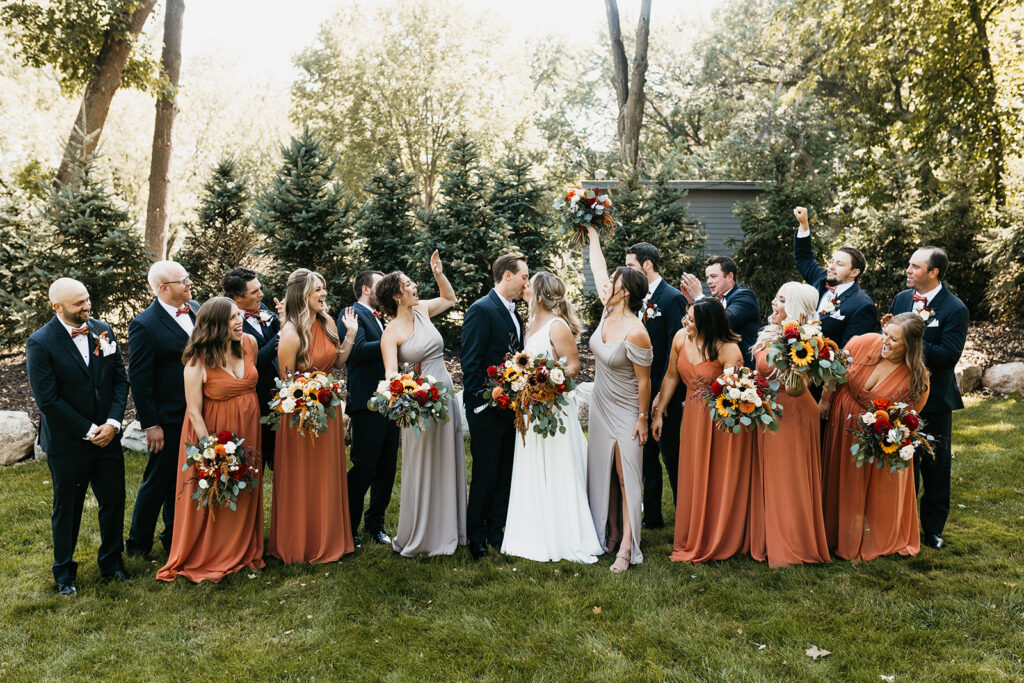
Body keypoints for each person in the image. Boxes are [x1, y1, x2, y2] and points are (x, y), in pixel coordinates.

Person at [26, 278, 129, 594]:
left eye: (87, 300)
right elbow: (48, 400)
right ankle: (64, 574)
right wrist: (88, 430)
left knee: (113, 501)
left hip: (108, 436)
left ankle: (111, 564)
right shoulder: (40, 343)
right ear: (57, 307)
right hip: (69, 443)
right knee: (66, 508)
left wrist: (112, 423)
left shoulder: (102, 330)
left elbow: (118, 381)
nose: (87, 306)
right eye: (78, 304)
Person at [157, 297, 265, 583]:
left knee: (246, 487)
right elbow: (193, 411)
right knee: (217, 493)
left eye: (239, 315)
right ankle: (212, 552)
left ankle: (242, 548)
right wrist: (213, 452)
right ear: (216, 324)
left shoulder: (249, 344)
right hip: (215, 434)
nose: (240, 320)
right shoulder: (197, 360)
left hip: (249, 430)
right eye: (232, 318)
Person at [501, 271, 603, 564]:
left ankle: (564, 533)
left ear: (540, 294)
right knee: (532, 462)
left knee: (557, 464)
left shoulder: (557, 326)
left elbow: (572, 365)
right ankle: (531, 530)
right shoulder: (529, 324)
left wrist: (544, 381)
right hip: (531, 406)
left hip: (552, 406)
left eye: (529, 285)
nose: (524, 287)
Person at [820, 314, 930, 561]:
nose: (885, 342)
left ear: (910, 347)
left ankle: (872, 537)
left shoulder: (917, 378)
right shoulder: (863, 343)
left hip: (874, 435)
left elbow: (908, 417)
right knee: (841, 478)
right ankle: (836, 533)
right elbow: (835, 372)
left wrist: (884, 434)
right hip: (842, 420)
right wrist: (825, 400)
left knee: (872, 487)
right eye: (886, 335)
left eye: (894, 340)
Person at [267, 269, 359, 564]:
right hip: (301, 416)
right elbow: (286, 384)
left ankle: (329, 537)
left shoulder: (328, 321)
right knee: (303, 477)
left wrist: (352, 335)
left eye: (323, 288)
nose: (323, 294)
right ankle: (301, 543)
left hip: (328, 409)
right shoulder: (291, 332)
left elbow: (337, 361)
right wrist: (306, 402)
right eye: (317, 290)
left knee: (327, 475)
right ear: (301, 295)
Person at [378, 251, 465, 557]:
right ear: (395, 295)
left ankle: (451, 529)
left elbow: (450, 298)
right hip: (418, 404)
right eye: (408, 284)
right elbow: (391, 373)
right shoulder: (390, 333)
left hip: (445, 395)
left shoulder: (423, 311)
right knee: (424, 465)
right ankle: (424, 535)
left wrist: (439, 272)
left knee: (448, 458)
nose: (414, 286)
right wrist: (406, 392)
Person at [654, 299, 751, 564]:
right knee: (694, 473)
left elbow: (737, 393)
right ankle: (693, 532)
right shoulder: (679, 338)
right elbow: (672, 376)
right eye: (686, 317)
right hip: (694, 418)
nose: (686, 322)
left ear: (708, 323)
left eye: (692, 320)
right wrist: (659, 411)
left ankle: (718, 536)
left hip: (722, 422)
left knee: (718, 474)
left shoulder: (728, 349)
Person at [888, 247, 968, 550]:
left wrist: (909, 342)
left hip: (934, 399)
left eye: (915, 266)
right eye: (909, 265)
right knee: (901, 462)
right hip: (899, 394)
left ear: (933, 272)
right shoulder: (901, 300)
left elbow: (948, 356)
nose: (908, 270)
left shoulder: (955, 308)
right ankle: (900, 525)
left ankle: (932, 529)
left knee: (934, 465)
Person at [747, 282, 830, 567]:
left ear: (795, 308)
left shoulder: (806, 340)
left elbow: (803, 380)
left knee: (788, 477)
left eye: (781, 300)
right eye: (776, 296)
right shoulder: (772, 333)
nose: (774, 303)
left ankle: (792, 542)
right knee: (771, 474)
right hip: (769, 408)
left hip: (792, 410)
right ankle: (769, 536)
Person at [586, 226, 653, 573]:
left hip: (628, 407)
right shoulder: (607, 312)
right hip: (600, 402)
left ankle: (627, 545)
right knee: (603, 469)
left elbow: (645, 382)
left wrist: (643, 417)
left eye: (612, 281)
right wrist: (594, 235)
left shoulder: (637, 332)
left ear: (624, 291)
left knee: (627, 474)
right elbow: (598, 269)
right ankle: (608, 531)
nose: (605, 284)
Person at [126, 261, 200, 558]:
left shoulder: (195, 308)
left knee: (183, 478)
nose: (189, 283)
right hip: (168, 417)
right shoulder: (144, 324)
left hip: (198, 409)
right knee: (157, 481)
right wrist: (150, 424)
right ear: (163, 288)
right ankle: (137, 546)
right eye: (184, 280)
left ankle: (173, 536)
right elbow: (139, 379)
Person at [461, 253, 529, 559]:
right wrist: (481, 403)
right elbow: (471, 362)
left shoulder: (516, 313)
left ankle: (495, 530)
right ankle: (475, 536)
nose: (527, 282)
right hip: (486, 409)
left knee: (505, 472)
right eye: (524, 276)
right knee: (485, 473)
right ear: (506, 276)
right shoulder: (481, 309)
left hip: (512, 408)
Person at [625, 242, 687, 528]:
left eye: (631, 266)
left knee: (672, 457)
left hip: (667, 392)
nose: (627, 272)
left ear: (646, 265)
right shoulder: (632, 299)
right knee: (646, 457)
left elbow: (676, 351)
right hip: (640, 389)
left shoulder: (672, 298)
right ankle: (652, 517)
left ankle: (685, 516)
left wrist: (662, 395)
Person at [343, 270, 399, 548]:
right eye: (380, 286)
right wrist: (392, 341)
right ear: (366, 289)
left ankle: (375, 524)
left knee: (387, 467)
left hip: (388, 401)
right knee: (364, 466)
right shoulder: (351, 314)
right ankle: (348, 526)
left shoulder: (381, 317)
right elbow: (357, 351)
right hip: (366, 403)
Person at [792, 206, 878, 349]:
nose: (831, 266)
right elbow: (804, 259)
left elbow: (850, 351)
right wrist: (804, 225)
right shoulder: (821, 279)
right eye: (832, 261)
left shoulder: (862, 305)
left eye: (839, 264)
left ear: (854, 272)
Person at [223, 268, 280, 470]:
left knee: (280, 460)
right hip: (252, 398)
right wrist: (282, 334)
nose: (261, 294)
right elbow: (254, 360)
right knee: (253, 461)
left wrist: (283, 318)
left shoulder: (261, 308)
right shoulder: (226, 323)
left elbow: (277, 326)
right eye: (255, 292)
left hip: (276, 396)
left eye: (260, 289)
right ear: (237, 297)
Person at [679, 256, 760, 367]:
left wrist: (699, 298)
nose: (708, 281)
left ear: (730, 276)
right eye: (707, 277)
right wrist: (692, 302)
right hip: (713, 366)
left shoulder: (745, 296)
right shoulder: (712, 301)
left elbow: (725, 321)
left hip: (741, 370)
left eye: (713, 276)